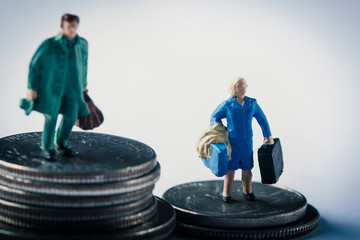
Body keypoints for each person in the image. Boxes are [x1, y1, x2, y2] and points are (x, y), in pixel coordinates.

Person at [23, 13, 90, 160]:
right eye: (68, 27)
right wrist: (32, 87)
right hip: (52, 89)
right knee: (50, 117)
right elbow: (35, 66)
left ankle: (60, 143)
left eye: (74, 27)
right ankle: (47, 147)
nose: (71, 30)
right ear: (62, 26)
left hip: (73, 90)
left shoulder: (82, 44)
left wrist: (84, 85)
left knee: (71, 116)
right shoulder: (50, 45)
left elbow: (84, 65)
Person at [210, 77, 274, 203]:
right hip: (232, 142)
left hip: (246, 142)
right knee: (230, 168)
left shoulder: (252, 104)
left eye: (244, 85)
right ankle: (226, 193)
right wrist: (222, 130)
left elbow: (262, 119)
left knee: (247, 168)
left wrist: (268, 136)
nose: (243, 88)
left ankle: (247, 191)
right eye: (240, 86)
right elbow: (214, 117)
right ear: (234, 88)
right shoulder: (227, 105)